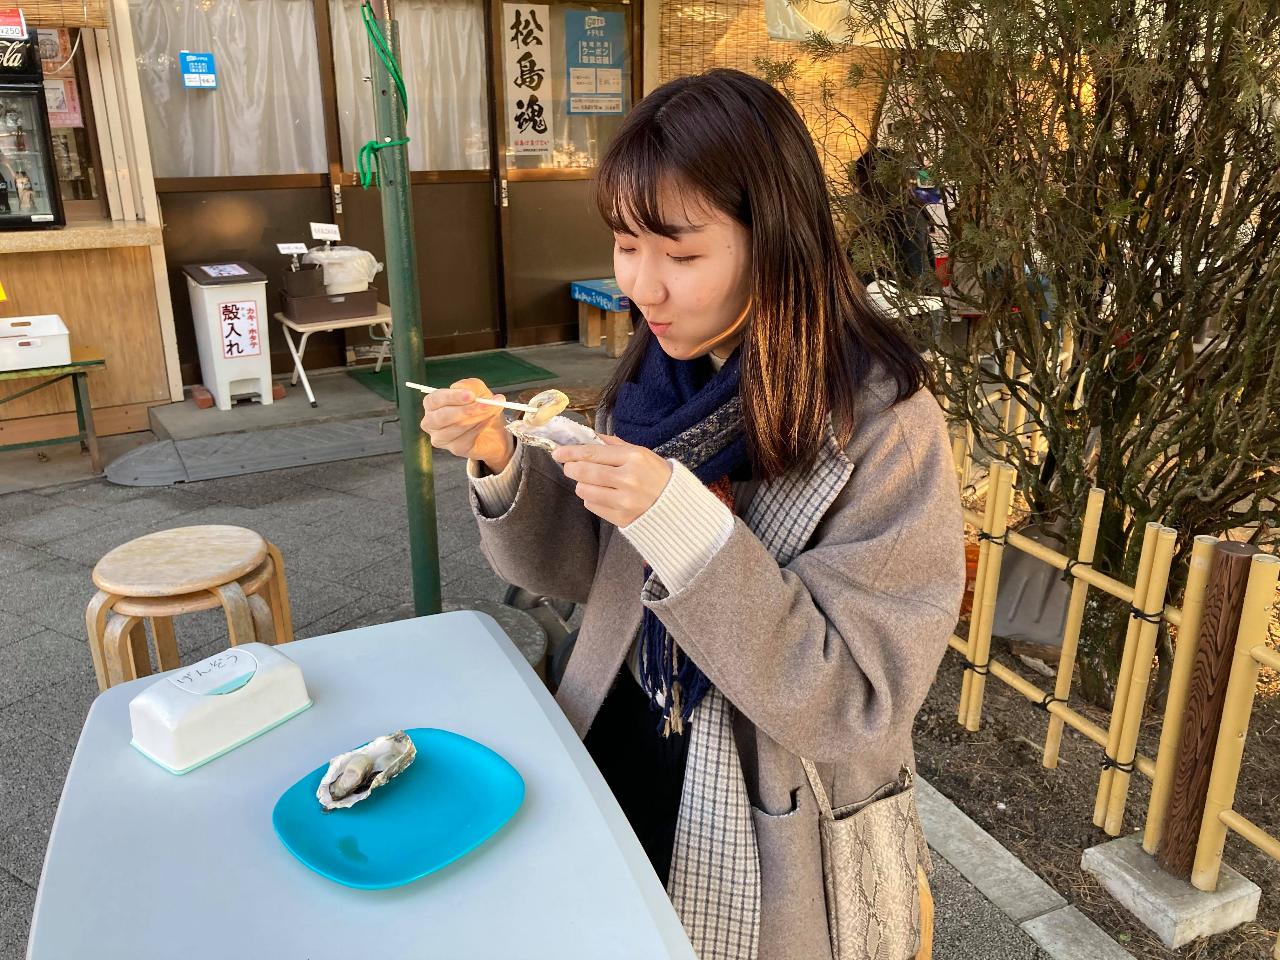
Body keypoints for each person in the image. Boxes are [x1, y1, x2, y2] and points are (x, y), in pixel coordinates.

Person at [420, 68, 964, 960]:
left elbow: (859, 703)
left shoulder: (884, 425)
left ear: (775, 241)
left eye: (681, 255)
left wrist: (690, 530)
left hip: (771, 816)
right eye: (626, 245)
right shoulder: (655, 380)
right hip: (616, 734)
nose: (642, 287)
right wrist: (501, 458)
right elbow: (585, 577)